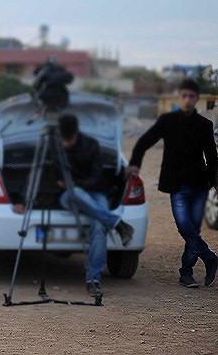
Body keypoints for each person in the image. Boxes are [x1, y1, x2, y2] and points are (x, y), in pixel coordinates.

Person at [14, 114, 135, 296]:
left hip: (95, 193)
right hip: (69, 197)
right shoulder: (55, 147)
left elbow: (97, 177)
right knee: (75, 193)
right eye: (63, 139)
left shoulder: (91, 145)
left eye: (69, 140)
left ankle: (93, 280)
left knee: (99, 225)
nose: (66, 144)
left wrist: (76, 184)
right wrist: (23, 199)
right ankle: (118, 223)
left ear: (76, 134)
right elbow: (36, 171)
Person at [128, 79, 218, 288]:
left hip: (200, 184)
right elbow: (144, 141)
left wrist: (215, 180)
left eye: (192, 96)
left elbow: (212, 156)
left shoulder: (204, 125)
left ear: (197, 99)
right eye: (184, 96)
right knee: (184, 226)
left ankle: (186, 272)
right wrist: (134, 163)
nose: (187, 100)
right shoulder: (167, 121)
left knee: (193, 229)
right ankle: (210, 258)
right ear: (179, 97)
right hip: (177, 185)